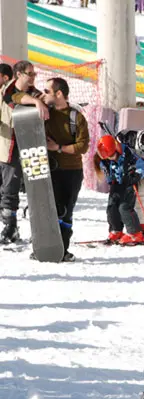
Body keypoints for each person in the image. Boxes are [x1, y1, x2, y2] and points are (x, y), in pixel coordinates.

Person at [0, 60, 49, 244]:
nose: (33, 77)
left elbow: (44, 102)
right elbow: (14, 98)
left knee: (37, 188)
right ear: (18, 74)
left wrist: (43, 101)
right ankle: (10, 227)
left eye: (34, 74)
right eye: (30, 74)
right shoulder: (6, 91)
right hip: (9, 147)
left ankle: (43, 229)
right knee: (9, 189)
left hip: (32, 148)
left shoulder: (35, 93)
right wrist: (36, 101)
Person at [42, 77, 90, 261]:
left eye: (47, 91)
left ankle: (62, 249)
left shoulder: (76, 117)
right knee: (48, 210)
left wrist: (59, 148)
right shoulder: (46, 112)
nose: (44, 94)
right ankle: (46, 247)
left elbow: (83, 146)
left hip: (70, 171)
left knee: (65, 211)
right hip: (49, 170)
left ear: (59, 93)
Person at [95, 135, 144, 245]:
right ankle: (116, 230)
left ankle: (135, 233)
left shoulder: (129, 154)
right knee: (111, 207)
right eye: (108, 157)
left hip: (129, 183)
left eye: (112, 155)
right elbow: (105, 169)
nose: (111, 158)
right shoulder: (105, 159)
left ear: (117, 149)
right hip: (116, 184)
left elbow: (141, 165)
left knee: (124, 208)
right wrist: (110, 180)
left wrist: (136, 175)